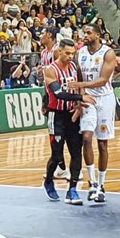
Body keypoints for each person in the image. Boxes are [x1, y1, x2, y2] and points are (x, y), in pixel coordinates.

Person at [41, 39, 94, 205]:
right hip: (56, 115)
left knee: (76, 153)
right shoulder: (50, 70)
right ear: (59, 51)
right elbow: (58, 94)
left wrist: (79, 106)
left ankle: (72, 190)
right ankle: (49, 180)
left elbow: (78, 87)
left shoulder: (73, 67)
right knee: (57, 156)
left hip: (72, 115)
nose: (71, 56)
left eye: (73, 53)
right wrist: (81, 97)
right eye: (67, 53)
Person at [75, 24, 118, 203]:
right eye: (84, 32)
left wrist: (81, 86)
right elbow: (78, 77)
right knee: (86, 137)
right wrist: (80, 97)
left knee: (102, 144)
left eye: (89, 32)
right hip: (88, 99)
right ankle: (91, 182)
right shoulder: (80, 53)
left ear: (98, 35)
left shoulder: (108, 53)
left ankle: (101, 184)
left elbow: (103, 80)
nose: (85, 35)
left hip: (105, 99)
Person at [38, 26, 67, 180]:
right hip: (49, 95)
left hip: (58, 96)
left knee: (58, 133)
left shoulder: (56, 51)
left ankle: (64, 166)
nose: (41, 36)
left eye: (43, 33)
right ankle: (61, 166)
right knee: (53, 134)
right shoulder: (43, 53)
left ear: (49, 35)